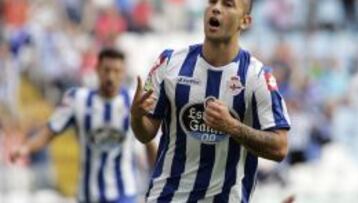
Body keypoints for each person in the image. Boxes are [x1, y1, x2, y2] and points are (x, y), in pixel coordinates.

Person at [130, 0, 291, 202]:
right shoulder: (170, 63)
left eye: (228, 4)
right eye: (212, 2)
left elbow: (280, 147)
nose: (216, 8)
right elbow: (145, 134)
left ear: (245, 21)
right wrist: (136, 117)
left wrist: (232, 127)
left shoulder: (257, 76)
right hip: (168, 197)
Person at [11, 48, 156, 203]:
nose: (111, 77)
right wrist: (26, 148)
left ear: (123, 72)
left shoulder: (133, 101)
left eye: (116, 71)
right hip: (88, 195)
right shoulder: (77, 99)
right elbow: (50, 130)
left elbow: (148, 139)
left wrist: (157, 172)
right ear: (97, 69)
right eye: (106, 70)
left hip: (124, 195)